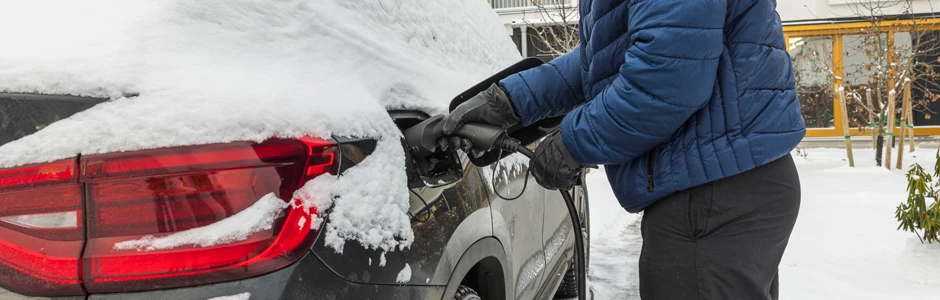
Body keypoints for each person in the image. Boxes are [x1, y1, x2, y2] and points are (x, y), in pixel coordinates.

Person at [442, 0, 804, 299]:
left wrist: (573, 143)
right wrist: (510, 101)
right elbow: (603, 61)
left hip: (715, 196)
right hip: (725, 181)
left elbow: (665, 81)